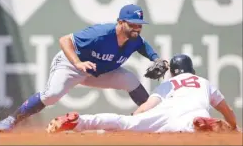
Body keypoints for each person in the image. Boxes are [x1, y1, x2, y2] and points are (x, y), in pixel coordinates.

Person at [0, 4, 167, 133]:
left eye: (139, 25)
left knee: (130, 80)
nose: (137, 28)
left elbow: (143, 45)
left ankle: (153, 119)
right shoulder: (100, 33)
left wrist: (156, 59)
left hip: (99, 72)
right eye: (132, 24)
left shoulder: (135, 38)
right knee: (51, 95)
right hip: (72, 66)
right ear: (121, 22)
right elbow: (64, 40)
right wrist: (77, 63)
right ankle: (12, 119)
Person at [46, 54, 240, 134]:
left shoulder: (168, 83)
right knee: (190, 127)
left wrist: (133, 119)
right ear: (193, 71)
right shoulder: (203, 83)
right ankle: (197, 123)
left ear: (172, 72)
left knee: (125, 123)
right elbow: (226, 108)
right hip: (193, 112)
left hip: (164, 112)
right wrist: (234, 127)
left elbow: (146, 107)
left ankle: (80, 121)